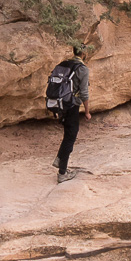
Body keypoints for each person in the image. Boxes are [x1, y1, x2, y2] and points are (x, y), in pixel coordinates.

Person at [46, 47, 90, 183]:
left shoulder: (63, 64)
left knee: (67, 134)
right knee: (71, 136)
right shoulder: (82, 69)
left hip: (59, 104)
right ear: (83, 53)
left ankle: (60, 160)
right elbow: (84, 93)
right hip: (71, 105)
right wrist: (87, 111)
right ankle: (62, 173)